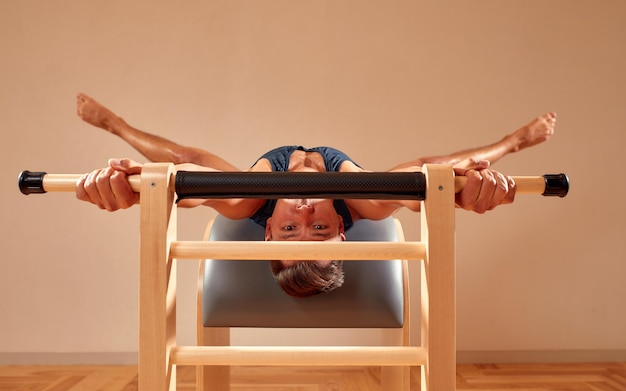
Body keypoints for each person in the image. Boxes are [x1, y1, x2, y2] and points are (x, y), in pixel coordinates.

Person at [75, 93, 557, 297]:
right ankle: (517, 139)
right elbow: (431, 180)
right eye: (319, 228)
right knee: (423, 169)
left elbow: (181, 177)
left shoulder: (248, 203)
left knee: (192, 159)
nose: (304, 212)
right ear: (343, 231)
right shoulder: (363, 202)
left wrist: (133, 185)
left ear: (267, 230)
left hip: (271, 171)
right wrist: (471, 187)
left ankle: (113, 125)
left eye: (290, 229)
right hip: (336, 167)